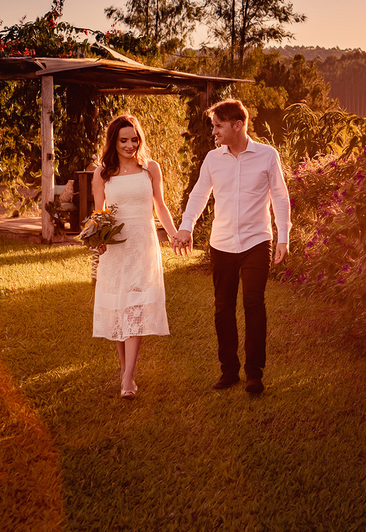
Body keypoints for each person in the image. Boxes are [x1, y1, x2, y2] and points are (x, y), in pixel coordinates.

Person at [173, 99, 290, 394]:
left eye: (218, 125)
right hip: (222, 243)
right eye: (213, 126)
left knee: (253, 303)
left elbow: (280, 196)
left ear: (238, 125)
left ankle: (254, 374)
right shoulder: (213, 159)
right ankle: (229, 371)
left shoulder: (267, 155)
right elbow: (199, 194)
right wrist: (186, 226)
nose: (214, 132)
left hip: (256, 241)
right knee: (223, 308)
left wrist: (284, 236)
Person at [92, 114, 180, 399]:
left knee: (135, 305)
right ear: (113, 142)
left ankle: (129, 376)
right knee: (119, 307)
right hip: (115, 246)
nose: (130, 145)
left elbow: (161, 207)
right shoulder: (102, 173)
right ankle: (124, 370)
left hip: (143, 244)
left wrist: (175, 233)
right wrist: (97, 240)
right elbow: (100, 213)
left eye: (134, 139)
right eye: (124, 140)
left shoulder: (150, 168)